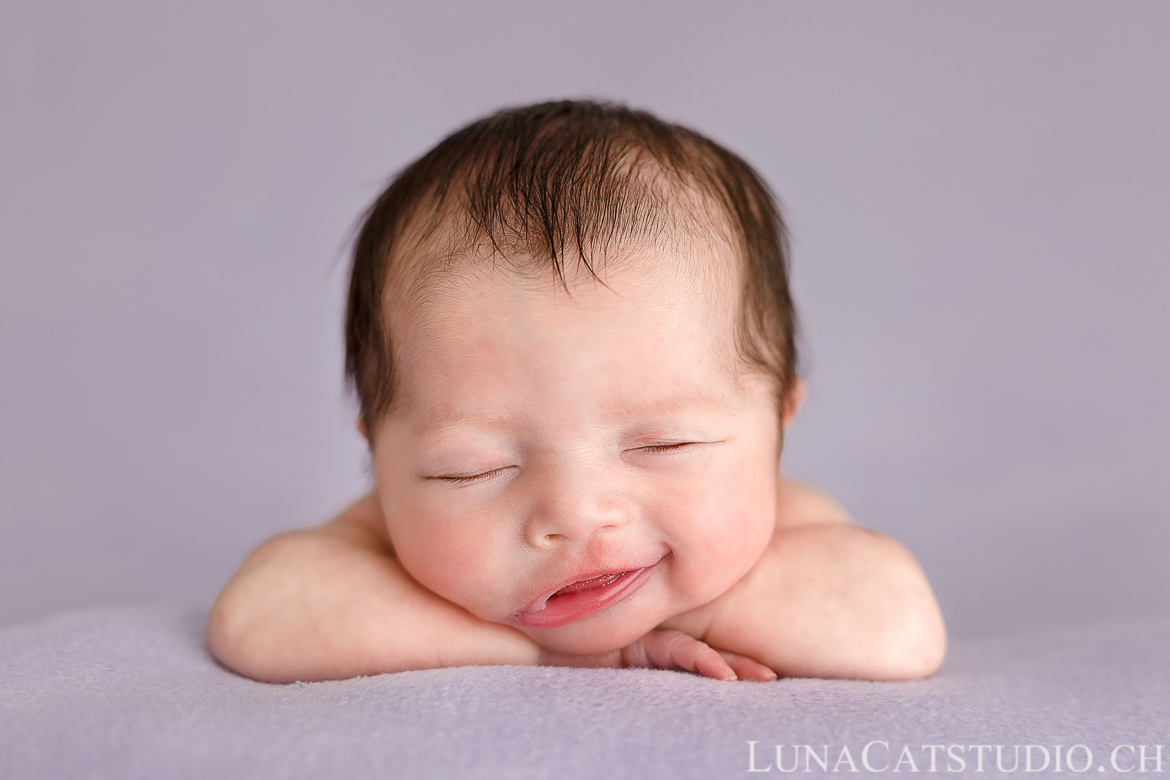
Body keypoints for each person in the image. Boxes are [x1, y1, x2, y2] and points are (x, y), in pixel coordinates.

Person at [208, 100, 946, 684]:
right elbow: (258, 618)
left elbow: (898, 631)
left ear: (778, 422)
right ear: (380, 450)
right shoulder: (377, 536)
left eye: (665, 445)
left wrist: (684, 613)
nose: (575, 514)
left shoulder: (793, 524)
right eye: (472, 468)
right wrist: (565, 652)